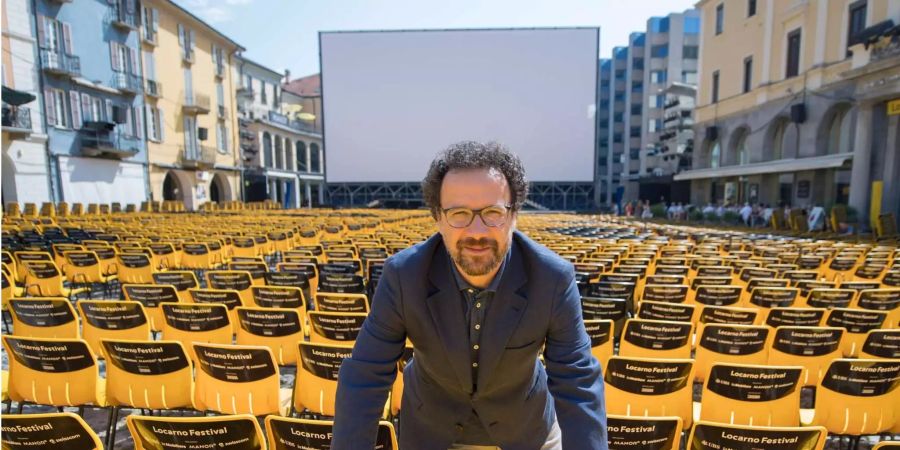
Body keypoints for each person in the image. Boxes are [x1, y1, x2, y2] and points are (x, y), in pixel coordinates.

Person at [332, 141, 607, 450]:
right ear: (437, 218)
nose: (477, 231)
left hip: (526, 431)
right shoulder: (403, 276)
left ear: (514, 216)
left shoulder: (553, 278)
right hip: (430, 430)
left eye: (492, 212)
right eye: (459, 213)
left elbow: (578, 383)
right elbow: (365, 376)